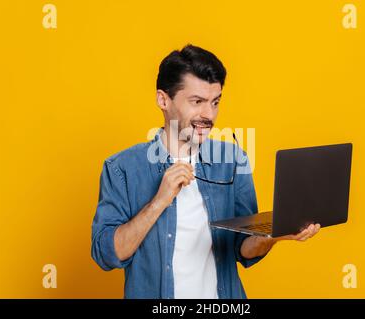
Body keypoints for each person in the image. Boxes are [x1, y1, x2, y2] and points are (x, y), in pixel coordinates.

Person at [91, 44, 320, 299]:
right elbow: (107, 254)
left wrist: (275, 234)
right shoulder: (122, 168)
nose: (209, 115)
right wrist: (159, 201)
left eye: (215, 102)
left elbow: (242, 248)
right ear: (163, 100)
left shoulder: (233, 161)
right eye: (197, 102)